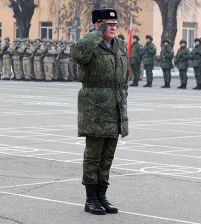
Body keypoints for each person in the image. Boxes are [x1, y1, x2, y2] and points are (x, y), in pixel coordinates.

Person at [71, 8, 129, 215]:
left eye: (114, 25)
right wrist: (96, 33)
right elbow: (77, 52)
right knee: (93, 156)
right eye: (107, 24)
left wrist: (123, 97)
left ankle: (102, 195)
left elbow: (124, 78)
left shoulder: (119, 46)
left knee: (107, 156)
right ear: (98, 25)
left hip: (115, 109)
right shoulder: (90, 46)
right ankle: (91, 199)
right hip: (95, 109)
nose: (113, 28)